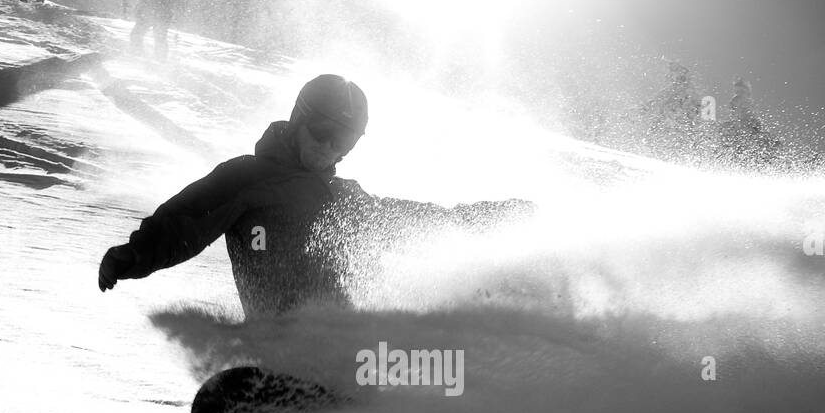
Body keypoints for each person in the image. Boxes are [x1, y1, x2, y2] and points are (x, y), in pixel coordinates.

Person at [98, 74, 528, 316]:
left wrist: (490, 217)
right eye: (323, 133)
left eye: (344, 142)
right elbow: (187, 219)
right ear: (299, 120)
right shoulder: (247, 178)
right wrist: (135, 255)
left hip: (339, 333)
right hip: (281, 331)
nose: (329, 149)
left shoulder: (342, 196)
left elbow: (416, 221)